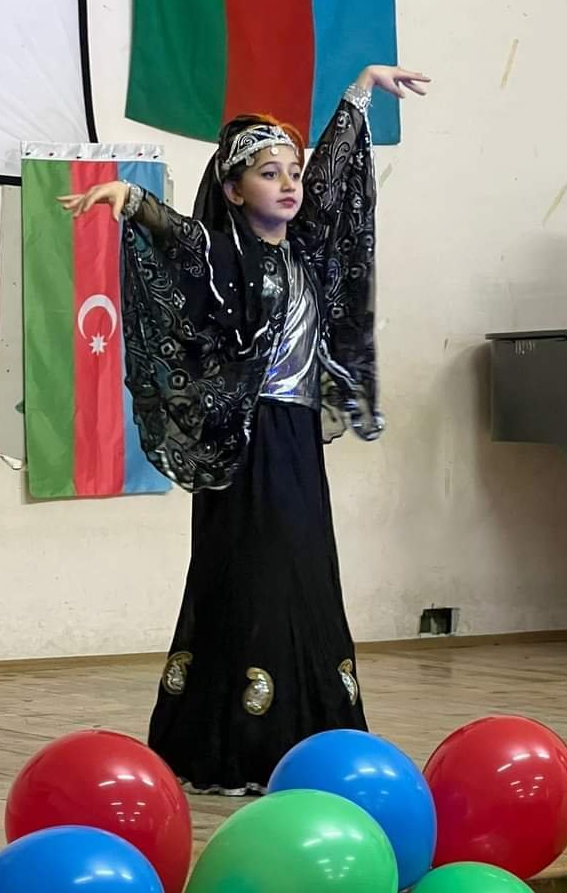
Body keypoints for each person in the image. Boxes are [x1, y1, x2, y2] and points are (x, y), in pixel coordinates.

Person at [58, 64, 429, 795]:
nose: (289, 184)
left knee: (305, 573)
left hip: (296, 438)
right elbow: (184, 240)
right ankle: (235, 744)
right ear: (233, 190)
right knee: (248, 577)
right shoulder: (226, 255)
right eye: (267, 174)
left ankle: (310, 738)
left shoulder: (308, 247)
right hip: (245, 441)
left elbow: (331, 176)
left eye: (291, 172)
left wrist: (358, 90)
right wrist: (133, 201)